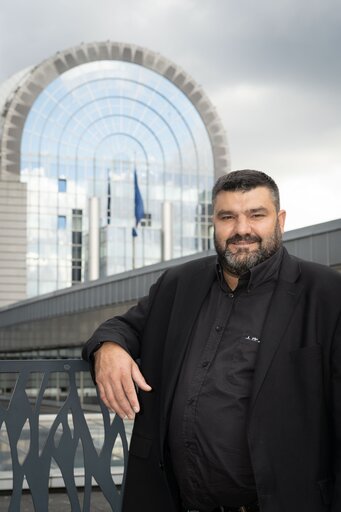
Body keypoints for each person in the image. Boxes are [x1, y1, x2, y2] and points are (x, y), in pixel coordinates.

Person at [82, 170, 341, 512]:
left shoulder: (325, 293)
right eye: (227, 217)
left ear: (280, 220)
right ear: (213, 224)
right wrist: (108, 349)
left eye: (256, 215)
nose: (242, 229)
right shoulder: (179, 284)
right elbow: (123, 327)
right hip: (176, 502)